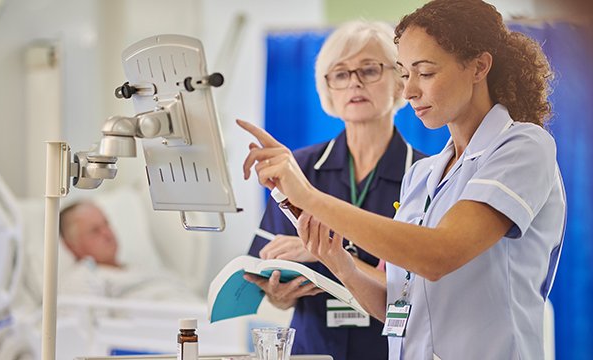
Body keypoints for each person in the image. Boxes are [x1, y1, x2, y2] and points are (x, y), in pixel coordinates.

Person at [238, 0, 566, 359]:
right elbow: (396, 306)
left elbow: (439, 253)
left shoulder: (523, 146)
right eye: (405, 74)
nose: (409, 91)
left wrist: (310, 197)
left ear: (479, 66)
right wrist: (336, 260)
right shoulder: (422, 175)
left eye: (424, 73)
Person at [244, 21, 424, 360]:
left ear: (401, 80)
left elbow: (417, 291)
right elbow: (265, 268)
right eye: (340, 74)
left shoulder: (424, 175)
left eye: (369, 70)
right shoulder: (298, 170)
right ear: (327, 88)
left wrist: (322, 250)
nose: (354, 82)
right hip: (313, 350)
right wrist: (278, 294)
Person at [58, 201, 198, 301]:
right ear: (72, 245)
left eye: (106, 224)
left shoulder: (140, 269)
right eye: (95, 231)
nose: (107, 233)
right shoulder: (84, 279)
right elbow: (91, 332)